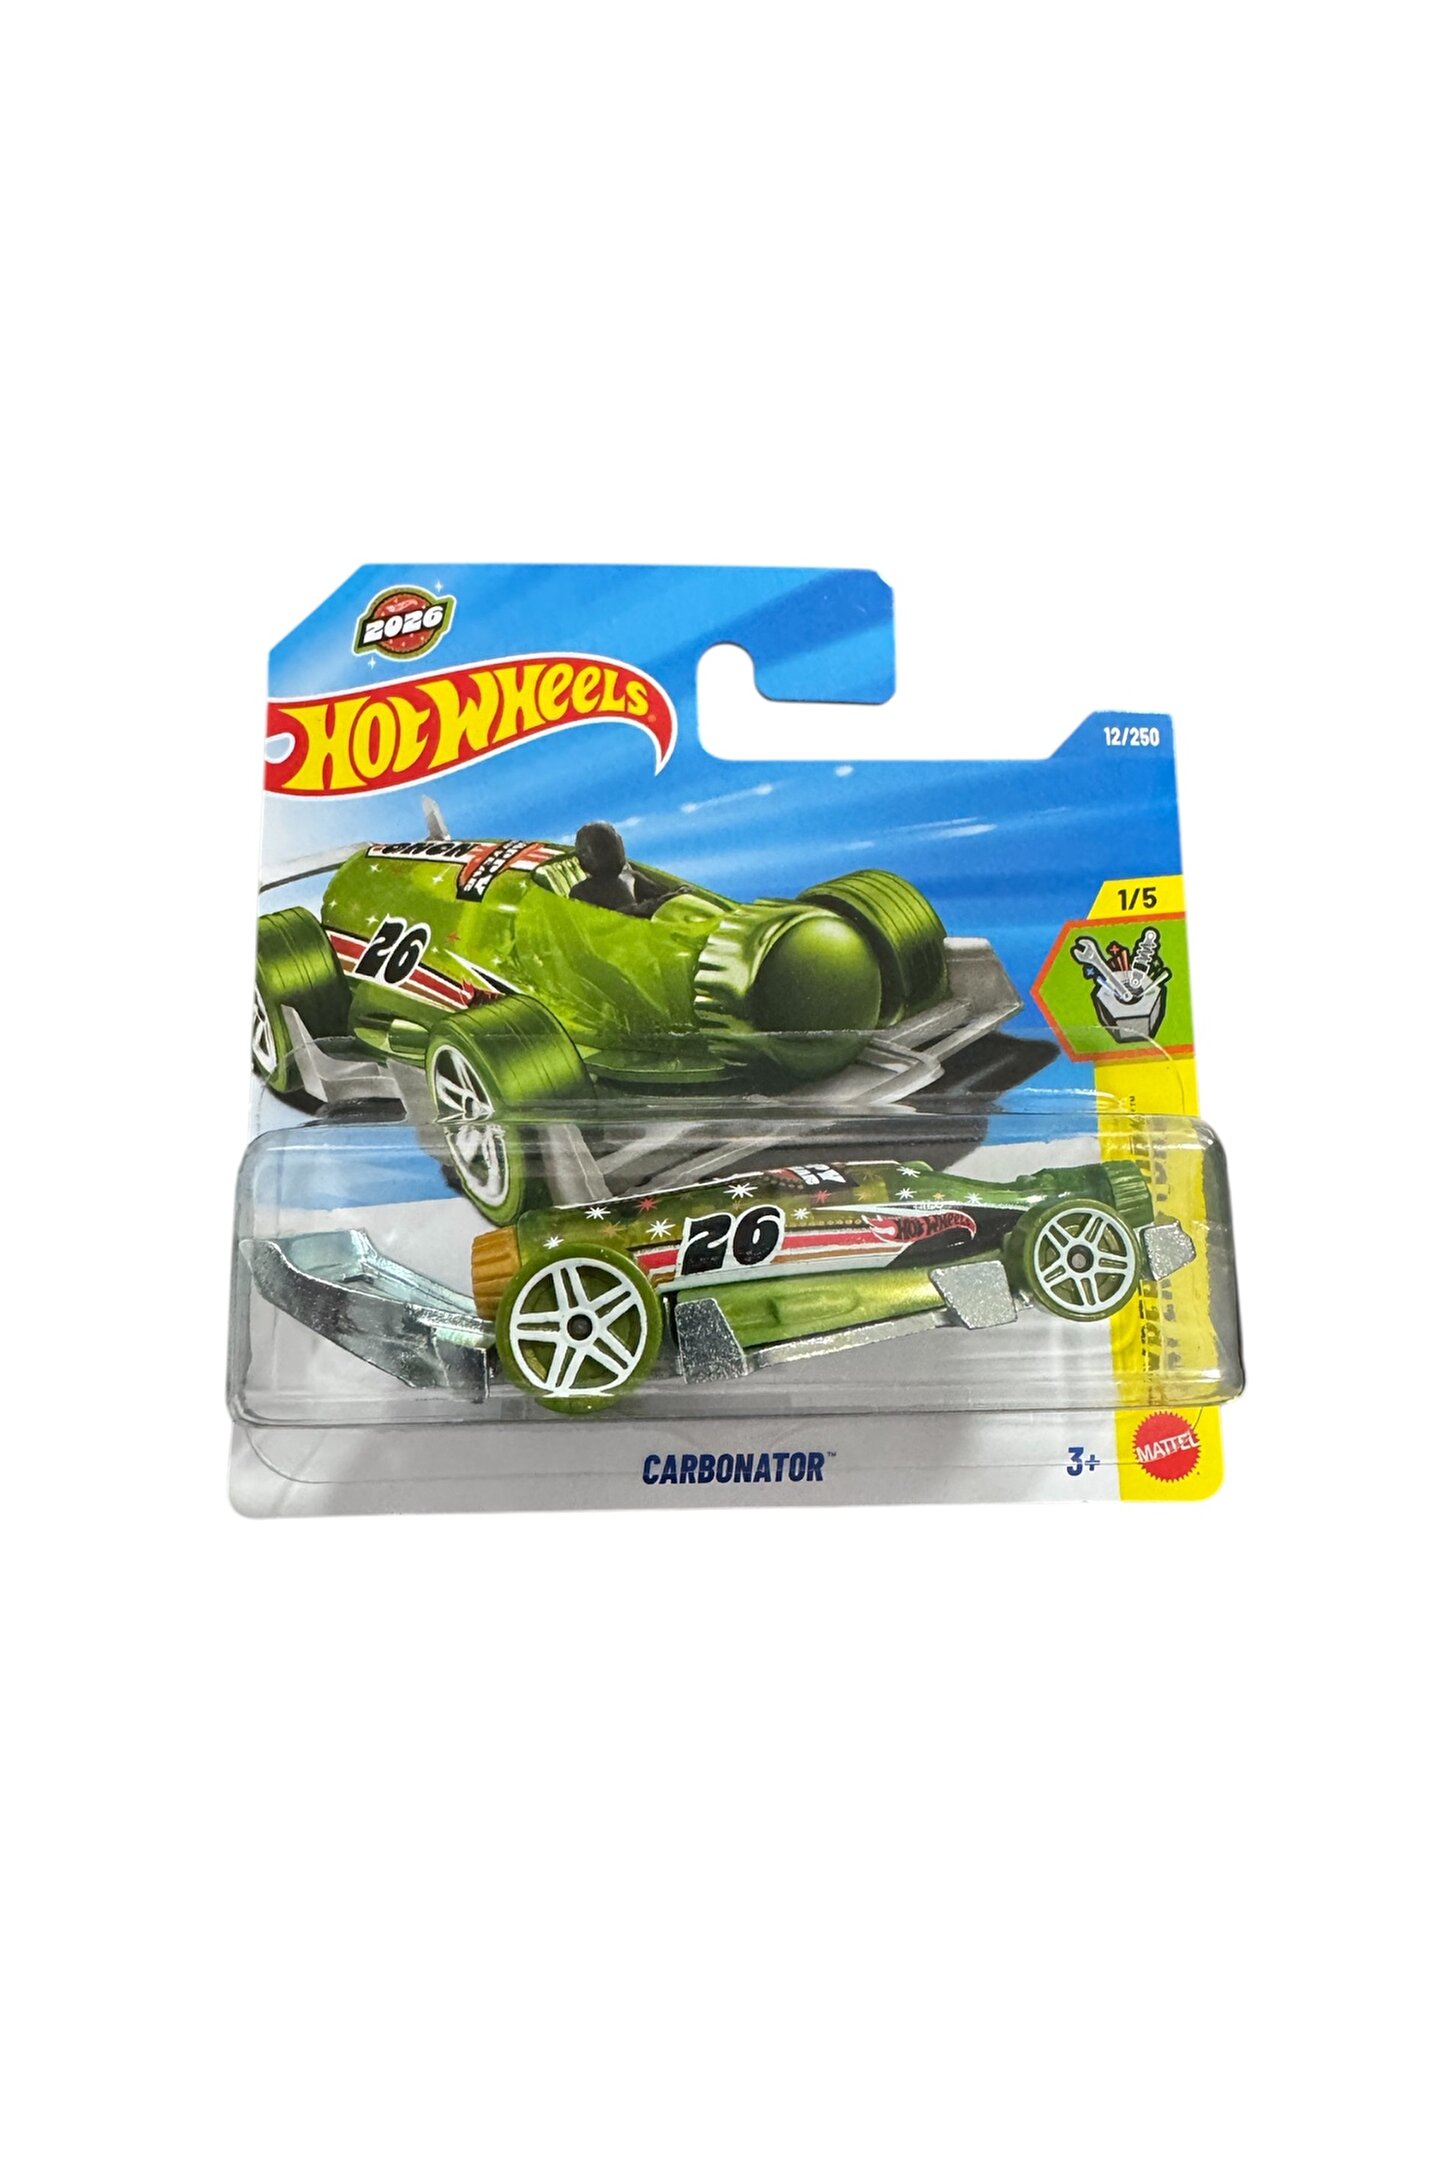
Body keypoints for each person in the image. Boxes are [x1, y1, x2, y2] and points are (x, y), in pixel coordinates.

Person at [569, 821, 670, 917]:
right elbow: (596, 921)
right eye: (605, 848)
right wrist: (638, 909)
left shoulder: (631, 877)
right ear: (583, 856)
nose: (615, 852)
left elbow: (665, 896)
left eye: (616, 846)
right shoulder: (581, 891)